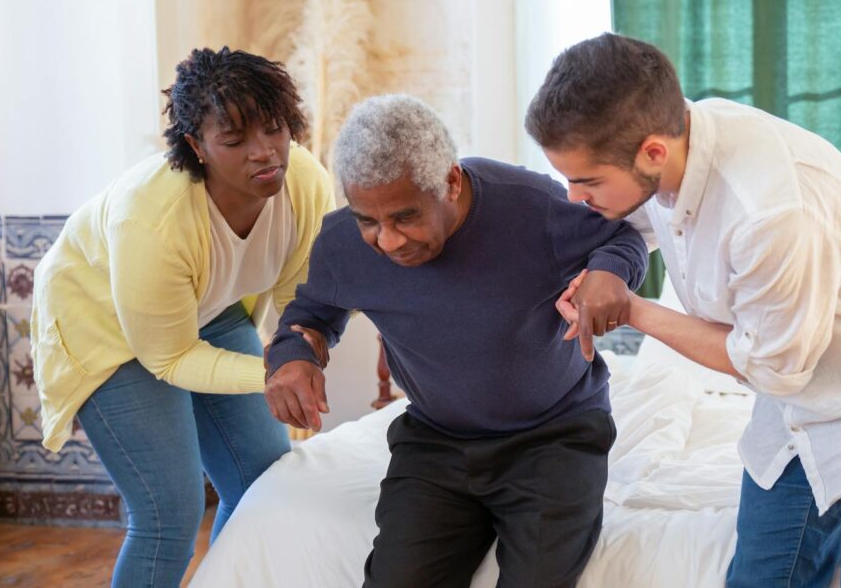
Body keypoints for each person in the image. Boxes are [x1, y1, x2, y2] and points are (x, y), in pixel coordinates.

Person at [527, 32, 841, 588]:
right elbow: (638, 221)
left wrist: (635, 311)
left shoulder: (769, 214)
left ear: (652, 152)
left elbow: (771, 367)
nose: (575, 197)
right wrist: (602, 270)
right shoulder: (680, 140)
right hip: (797, 404)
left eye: (587, 180)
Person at [262, 94, 647, 588]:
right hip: (437, 441)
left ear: (449, 180)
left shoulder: (532, 207)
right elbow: (311, 314)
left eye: (405, 216)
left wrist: (609, 273)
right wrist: (293, 359)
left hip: (555, 436)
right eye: (368, 221)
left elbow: (623, 237)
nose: (388, 241)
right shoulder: (341, 244)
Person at [30, 47, 335, 587]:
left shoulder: (305, 183)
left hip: (208, 307)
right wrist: (273, 371)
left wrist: (298, 356)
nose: (264, 154)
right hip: (105, 325)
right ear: (197, 146)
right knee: (168, 512)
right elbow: (167, 355)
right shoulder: (152, 219)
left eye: (274, 129)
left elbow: (299, 301)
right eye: (235, 140)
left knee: (265, 481)